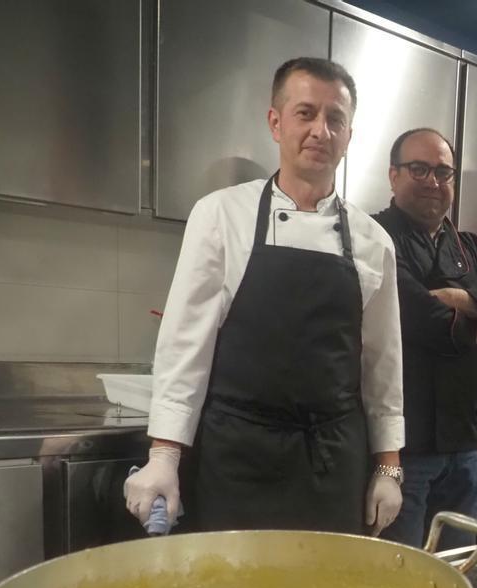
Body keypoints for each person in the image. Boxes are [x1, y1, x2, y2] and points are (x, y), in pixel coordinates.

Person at [127, 57, 404, 535]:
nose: (321, 130)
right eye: (305, 113)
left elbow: (382, 365)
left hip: (332, 460)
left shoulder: (374, 240)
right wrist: (163, 456)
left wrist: (388, 468)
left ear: (349, 135)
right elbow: (184, 344)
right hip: (236, 457)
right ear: (275, 123)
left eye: (335, 118)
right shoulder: (220, 215)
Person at [373, 128, 477, 549]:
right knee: (400, 578)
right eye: (419, 169)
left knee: (460, 570)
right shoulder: (375, 238)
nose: (433, 181)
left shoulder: (469, 246)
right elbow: (423, 319)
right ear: (393, 176)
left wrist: (461, 298)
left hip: (465, 449)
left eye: (443, 172)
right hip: (401, 452)